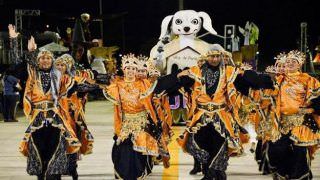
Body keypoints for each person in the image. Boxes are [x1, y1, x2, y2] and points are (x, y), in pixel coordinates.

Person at [176, 44, 246, 180]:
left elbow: (244, 84)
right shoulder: (196, 71)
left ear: (221, 57)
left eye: (217, 56)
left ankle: (213, 174)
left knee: (219, 144)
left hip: (221, 115)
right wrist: (173, 79)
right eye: (212, 56)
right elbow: (180, 82)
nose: (214, 59)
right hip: (201, 116)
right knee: (198, 142)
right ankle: (211, 170)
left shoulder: (229, 71)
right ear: (207, 57)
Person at [103, 53, 176, 179]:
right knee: (122, 148)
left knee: (139, 149)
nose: (131, 71)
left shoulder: (144, 84)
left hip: (141, 121)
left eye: (133, 68)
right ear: (124, 69)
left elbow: (160, 85)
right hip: (125, 122)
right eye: (128, 68)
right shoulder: (117, 85)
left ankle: (138, 173)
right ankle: (124, 174)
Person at [19, 36, 81, 180]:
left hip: (55, 116)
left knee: (56, 145)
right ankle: (40, 174)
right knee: (38, 146)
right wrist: (31, 52)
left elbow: (72, 85)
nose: (45, 60)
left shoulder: (59, 76)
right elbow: (26, 67)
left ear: (52, 61)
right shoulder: (34, 75)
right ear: (38, 61)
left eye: (48, 58)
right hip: (38, 117)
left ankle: (54, 174)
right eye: (42, 58)